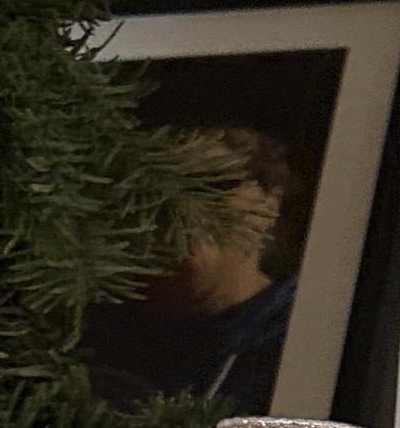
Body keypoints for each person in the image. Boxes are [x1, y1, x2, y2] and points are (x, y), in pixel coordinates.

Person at [82, 126, 302, 413]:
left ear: (269, 204)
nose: (182, 208)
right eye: (158, 190)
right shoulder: (86, 334)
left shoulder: (297, 343)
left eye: (211, 186)